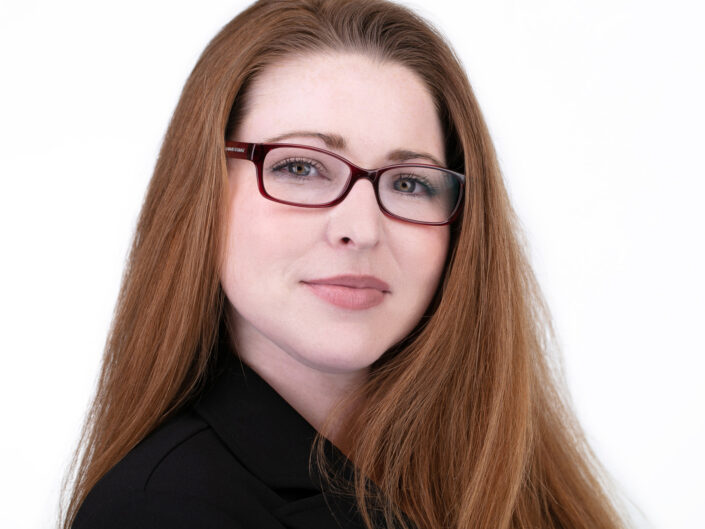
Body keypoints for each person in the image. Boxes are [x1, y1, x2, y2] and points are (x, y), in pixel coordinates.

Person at [60, 1, 628, 528]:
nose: (360, 229)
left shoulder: (511, 476)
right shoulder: (162, 509)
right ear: (201, 193)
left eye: (409, 183)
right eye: (301, 168)